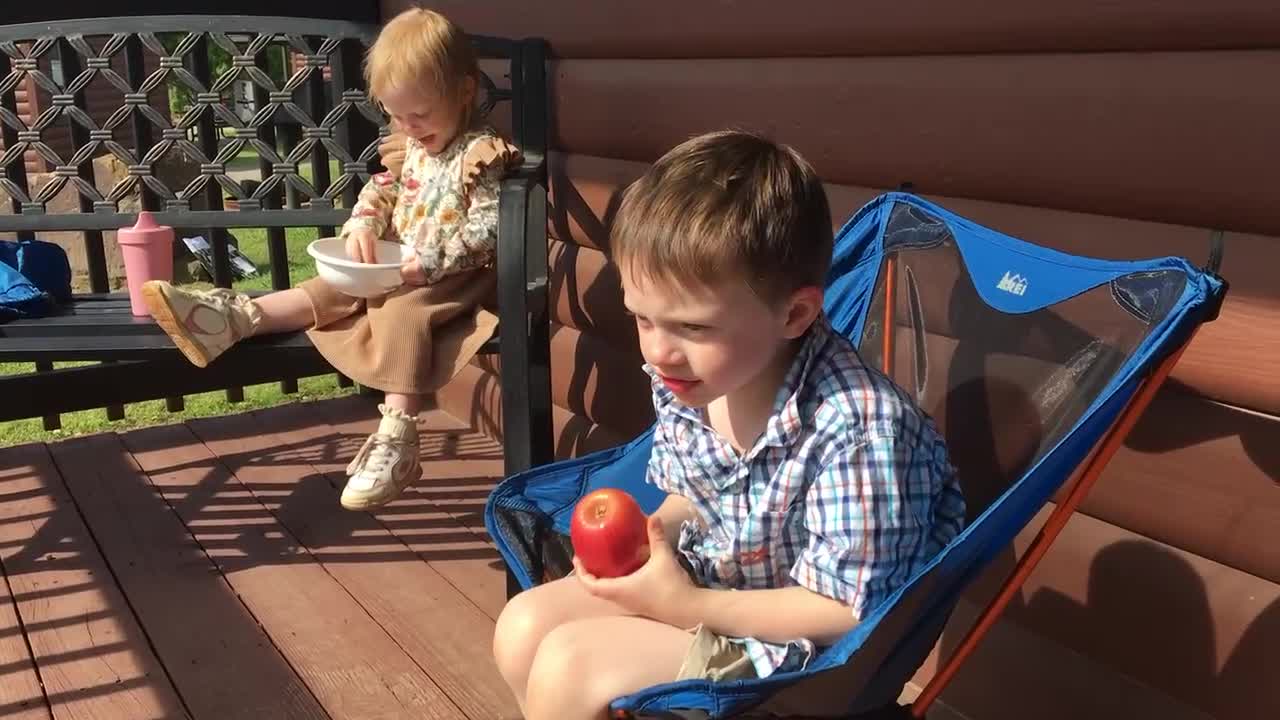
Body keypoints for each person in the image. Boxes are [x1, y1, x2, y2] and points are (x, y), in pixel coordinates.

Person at [492, 129, 967, 720]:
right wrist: (651, 539)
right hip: (713, 589)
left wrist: (685, 604)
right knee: (523, 623)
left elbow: (845, 611)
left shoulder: (859, 430)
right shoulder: (692, 380)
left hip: (803, 656)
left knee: (571, 663)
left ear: (794, 313)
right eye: (644, 318)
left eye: (692, 328)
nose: (660, 351)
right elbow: (690, 495)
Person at [140, 8, 520, 510]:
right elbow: (381, 192)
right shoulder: (412, 147)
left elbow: (487, 230)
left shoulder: (480, 153)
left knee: (402, 311)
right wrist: (364, 224)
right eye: (395, 115)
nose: (407, 127)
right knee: (328, 289)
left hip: (453, 279)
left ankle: (398, 436)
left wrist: (425, 263)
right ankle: (234, 319)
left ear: (464, 91)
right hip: (399, 266)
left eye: (419, 115)